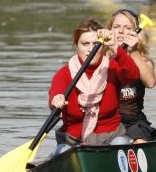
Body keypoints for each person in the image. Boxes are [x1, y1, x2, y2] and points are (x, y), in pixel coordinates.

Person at [49, 18, 140, 153]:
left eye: (95, 44)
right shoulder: (64, 74)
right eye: (85, 44)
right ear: (76, 45)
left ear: (102, 46)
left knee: (120, 143)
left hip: (111, 136)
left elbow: (133, 76)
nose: (90, 50)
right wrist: (56, 100)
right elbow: (54, 97)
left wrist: (114, 45)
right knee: (62, 152)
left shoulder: (112, 67)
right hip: (73, 140)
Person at [107, 8, 156, 143]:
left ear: (136, 32)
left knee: (140, 142)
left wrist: (134, 52)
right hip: (107, 121)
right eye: (116, 27)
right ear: (110, 30)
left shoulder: (144, 60)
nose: (120, 31)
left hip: (133, 122)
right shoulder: (102, 58)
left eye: (127, 27)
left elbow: (150, 83)